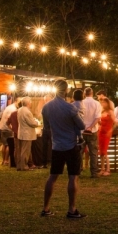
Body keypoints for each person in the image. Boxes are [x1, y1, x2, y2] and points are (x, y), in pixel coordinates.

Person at [40, 79, 86, 219]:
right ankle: (72, 209)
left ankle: (45, 208)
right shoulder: (70, 108)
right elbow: (82, 126)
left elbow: (46, 127)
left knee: (52, 176)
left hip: (56, 146)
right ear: (66, 90)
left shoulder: (46, 108)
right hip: (71, 145)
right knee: (73, 177)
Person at [79, 87, 101, 178]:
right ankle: (94, 172)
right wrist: (90, 127)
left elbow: (78, 117)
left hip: (81, 131)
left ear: (84, 94)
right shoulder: (97, 103)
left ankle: (78, 171)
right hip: (93, 131)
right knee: (93, 152)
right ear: (92, 93)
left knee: (80, 152)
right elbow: (97, 117)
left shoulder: (81, 103)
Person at [96, 96, 118, 176]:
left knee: (104, 151)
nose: (102, 104)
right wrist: (98, 122)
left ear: (107, 103)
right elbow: (100, 122)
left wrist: (111, 130)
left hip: (107, 132)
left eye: (104, 102)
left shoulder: (110, 111)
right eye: (102, 102)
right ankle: (102, 168)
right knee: (101, 151)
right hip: (101, 132)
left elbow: (116, 122)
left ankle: (108, 169)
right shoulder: (102, 111)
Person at [15, 98, 38, 171]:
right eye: (30, 102)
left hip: (21, 133)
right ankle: (24, 166)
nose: (31, 103)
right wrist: (36, 122)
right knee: (25, 151)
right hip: (27, 134)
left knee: (20, 150)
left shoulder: (19, 110)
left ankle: (19, 166)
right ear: (28, 103)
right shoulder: (27, 112)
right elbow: (32, 123)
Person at [0, 97, 17, 166]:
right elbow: (9, 119)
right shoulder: (13, 109)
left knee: (4, 144)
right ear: (16, 101)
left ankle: (3, 160)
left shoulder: (8, 107)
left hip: (2, 127)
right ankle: (6, 160)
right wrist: (12, 128)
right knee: (9, 145)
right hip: (8, 129)